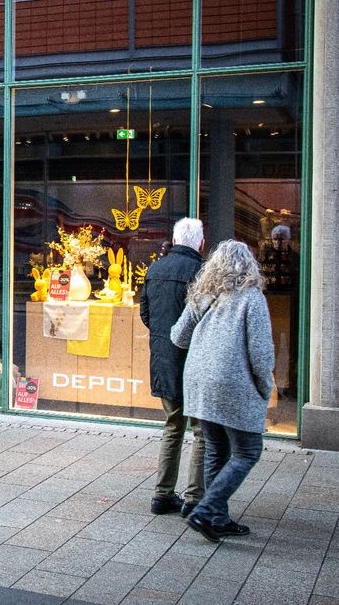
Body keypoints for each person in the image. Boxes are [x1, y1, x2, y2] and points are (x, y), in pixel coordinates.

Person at [171, 240, 275, 542]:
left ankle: (217, 518)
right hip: (230, 382)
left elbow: (178, 336)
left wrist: (207, 345)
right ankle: (206, 510)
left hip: (198, 381)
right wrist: (265, 387)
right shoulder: (252, 298)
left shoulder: (204, 294)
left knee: (217, 449)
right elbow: (261, 355)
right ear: (249, 265)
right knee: (248, 451)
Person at [140, 218, 206, 517]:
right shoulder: (202, 273)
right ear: (201, 243)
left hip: (164, 358)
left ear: (176, 240)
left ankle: (162, 494)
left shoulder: (155, 269)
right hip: (195, 360)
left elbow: (146, 314)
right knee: (202, 431)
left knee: (173, 426)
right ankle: (194, 498)